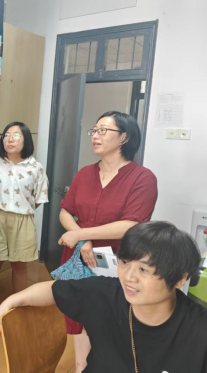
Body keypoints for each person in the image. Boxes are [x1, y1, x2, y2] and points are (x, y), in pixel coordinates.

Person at [0, 221, 207, 372]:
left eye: (144, 270)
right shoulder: (104, 293)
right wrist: (8, 303)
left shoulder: (199, 330)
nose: (129, 277)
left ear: (179, 279)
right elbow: (52, 290)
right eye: (125, 262)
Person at [56, 111, 158, 372]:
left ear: (124, 137)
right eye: (94, 130)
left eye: (103, 130)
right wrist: (83, 242)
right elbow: (65, 212)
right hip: (79, 256)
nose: (95, 135)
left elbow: (131, 225)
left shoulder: (143, 178)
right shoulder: (84, 173)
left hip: (116, 262)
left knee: (108, 318)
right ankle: (80, 366)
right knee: (77, 315)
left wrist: (81, 235)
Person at [0, 121, 48, 301]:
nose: (10, 139)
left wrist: (19, 210)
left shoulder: (36, 168)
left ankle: (18, 307)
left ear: (26, 140)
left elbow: (38, 199)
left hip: (22, 221)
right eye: (6, 135)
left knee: (19, 267)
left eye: (16, 135)